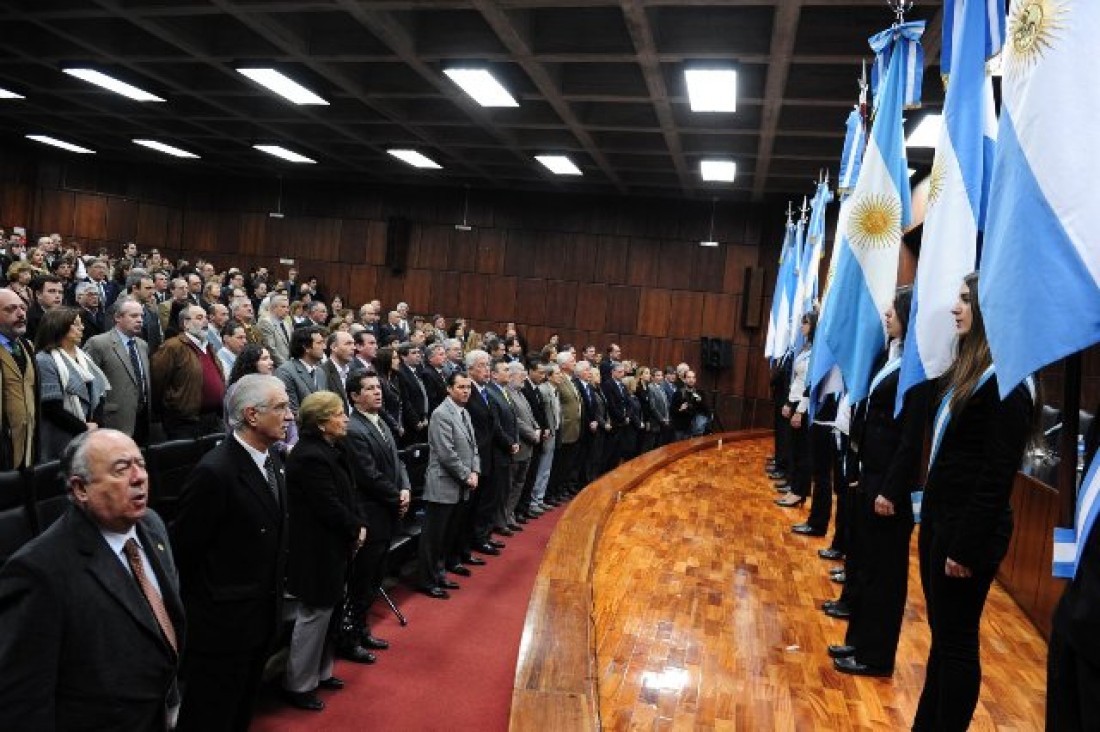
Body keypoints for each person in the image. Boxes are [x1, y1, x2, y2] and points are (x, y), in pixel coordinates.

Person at [912, 272, 1037, 731]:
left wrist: (964, 547)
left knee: (958, 644)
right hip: (943, 523)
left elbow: (995, 477)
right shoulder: (969, 371)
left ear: (989, 310)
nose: (955, 307)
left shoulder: (1008, 383)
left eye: (965, 300)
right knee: (942, 642)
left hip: (967, 535)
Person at [0, 429, 184, 731]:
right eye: (121, 469)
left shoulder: (151, 525)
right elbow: (24, 700)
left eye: (141, 464)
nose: (139, 477)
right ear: (80, 489)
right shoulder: (39, 571)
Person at [172, 374, 291, 732]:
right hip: (223, 627)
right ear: (252, 415)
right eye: (282, 408)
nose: (289, 416)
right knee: (210, 715)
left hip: (259, 617)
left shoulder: (272, 462)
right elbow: (186, 551)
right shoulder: (215, 471)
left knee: (240, 711)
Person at [832, 286, 929, 677]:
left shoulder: (918, 368)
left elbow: (910, 438)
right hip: (871, 476)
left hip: (890, 487)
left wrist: (891, 488)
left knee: (886, 576)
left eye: (894, 310)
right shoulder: (890, 357)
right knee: (869, 566)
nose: (886, 315)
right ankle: (858, 641)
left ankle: (876, 656)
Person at [282, 391, 368, 712]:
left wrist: (357, 524)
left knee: (330, 609)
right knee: (314, 614)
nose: (345, 419)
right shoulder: (308, 456)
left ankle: (321, 672)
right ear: (321, 422)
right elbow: (327, 505)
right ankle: (298, 684)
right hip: (316, 547)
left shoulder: (334, 448)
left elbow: (350, 493)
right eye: (339, 414)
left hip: (337, 542)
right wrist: (354, 527)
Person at [340, 371, 411, 658]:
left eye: (378, 387)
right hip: (371, 514)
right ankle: (349, 640)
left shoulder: (380, 421)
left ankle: (362, 631)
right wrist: (396, 497)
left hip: (388, 510)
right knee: (361, 582)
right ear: (355, 396)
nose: (378, 392)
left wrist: (405, 487)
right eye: (369, 389)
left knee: (373, 580)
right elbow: (368, 475)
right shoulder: (354, 429)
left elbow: (397, 461)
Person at [419, 372, 479, 599]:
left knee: (447, 535)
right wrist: (467, 475)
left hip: (461, 482)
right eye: (461, 387)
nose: (466, 391)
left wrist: (475, 470)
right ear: (449, 389)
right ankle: (427, 580)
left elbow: (473, 448)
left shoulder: (464, 412)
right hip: (444, 483)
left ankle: (440, 573)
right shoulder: (441, 414)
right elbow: (446, 453)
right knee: (433, 537)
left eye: (468, 387)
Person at [34, 307, 110, 460]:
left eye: (81, 323)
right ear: (59, 327)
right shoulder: (45, 360)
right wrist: (84, 428)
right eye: (76, 324)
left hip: (89, 435)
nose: (82, 327)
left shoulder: (83, 356)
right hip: (61, 436)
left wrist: (95, 423)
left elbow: (98, 392)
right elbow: (51, 407)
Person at [150, 304, 225, 439]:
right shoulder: (172, 346)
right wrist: (173, 405)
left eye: (206, 317)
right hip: (186, 423)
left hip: (213, 419)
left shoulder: (208, 346)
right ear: (186, 323)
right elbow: (158, 382)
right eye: (199, 318)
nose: (205, 321)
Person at [85, 298, 153, 445]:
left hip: (142, 419)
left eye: (141, 316)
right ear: (117, 317)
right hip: (113, 421)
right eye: (134, 316)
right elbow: (88, 384)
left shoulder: (142, 345)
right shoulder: (98, 343)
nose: (140, 320)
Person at [776, 316, 814, 508]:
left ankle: (799, 492)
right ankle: (794, 488)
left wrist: (799, 410)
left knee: (802, 452)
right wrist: (789, 403)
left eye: (805, 323)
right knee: (795, 448)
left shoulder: (816, 351)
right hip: (795, 401)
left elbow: (809, 383)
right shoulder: (805, 347)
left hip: (804, 405)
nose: (801, 326)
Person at [0, 288, 37, 470]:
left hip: (28, 444)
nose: (21, 314)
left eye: (22, 308)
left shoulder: (27, 346)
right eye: (11, 309)